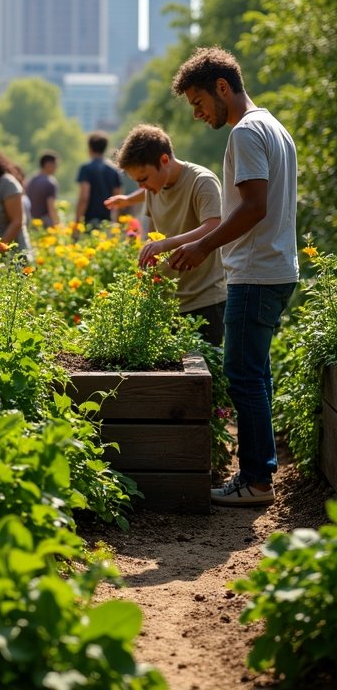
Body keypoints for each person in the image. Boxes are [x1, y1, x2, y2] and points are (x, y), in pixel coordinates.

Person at [170, 46, 298, 507]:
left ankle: (257, 480)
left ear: (222, 87)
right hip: (276, 268)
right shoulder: (273, 126)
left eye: (199, 103)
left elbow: (254, 206)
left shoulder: (246, 132)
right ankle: (258, 473)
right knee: (255, 374)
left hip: (256, 272)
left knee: (243, 376)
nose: (199, 114)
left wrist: (203, 244)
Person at [104, 124, 226, 346]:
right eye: (137, 182)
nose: (143, 186)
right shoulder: (154, 188)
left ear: (164, 161)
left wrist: (165, 245)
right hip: (166, 303)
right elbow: (148, 202)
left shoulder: (202, 181)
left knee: (206, 377)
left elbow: (214, 225)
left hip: (204, 302)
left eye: (144, 178)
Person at [75, 132, 122, 228]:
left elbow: (84, 197)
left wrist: (77, 222)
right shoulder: (113, 170)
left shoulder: (86, 168)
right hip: (107, 221)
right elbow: (118, 197)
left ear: (90, 148)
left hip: (90, 221)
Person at [25, 152, 59, 227]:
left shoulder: (31, 180)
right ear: (48, 164)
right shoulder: (50, 182)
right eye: (55, 164)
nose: (57, 167)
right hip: (44, 223)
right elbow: (51, 207)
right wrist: (57, 225)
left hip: (30, 222)